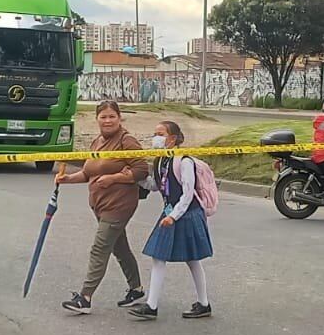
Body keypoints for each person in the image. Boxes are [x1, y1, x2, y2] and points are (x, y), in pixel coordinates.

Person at [55, 100, 149, 314]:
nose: (108, 121)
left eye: (112, 116)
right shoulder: (97, 142)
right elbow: (89, 173)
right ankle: (136, 289)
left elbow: (142, 169)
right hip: (100, 204)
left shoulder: (127, 141)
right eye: (103, 117)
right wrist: (68, 179)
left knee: (100, 247)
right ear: (97, 119)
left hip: (119, 205)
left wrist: (114, 178)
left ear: (119, 118)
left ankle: (85, 297)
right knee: (119, 247)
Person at [129, 121, 213, 321]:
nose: (155, 137)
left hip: (185, 213)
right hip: (171, 213)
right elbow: (157, 185)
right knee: (159, 256)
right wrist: (135, 177)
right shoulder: (160, 160)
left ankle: (202, 303)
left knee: (191, 259)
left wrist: (173, 216)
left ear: (173, 138)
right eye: (154, 133)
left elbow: (188, 193)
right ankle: (153, 305)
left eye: (160, 133)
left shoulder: (183, 161)